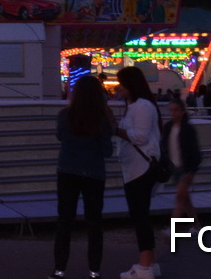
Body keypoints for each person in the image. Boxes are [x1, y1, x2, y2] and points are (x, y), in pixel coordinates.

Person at [51, 75, 111, 279]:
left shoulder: (65, 115)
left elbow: (60, 136)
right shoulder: (101, 119)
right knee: (94, 222)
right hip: (94, 173)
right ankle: (94, 269)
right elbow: (107, 150)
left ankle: (60, 268)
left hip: (67, 170)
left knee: (64, 221)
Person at [112, 66, 160, 279]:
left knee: (140, 217)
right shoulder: (137, 106)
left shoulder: (142, 107)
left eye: (121, 83)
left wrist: (116, 130)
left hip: (140, 169)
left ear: (130, 84)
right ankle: (150, 263)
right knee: (142, 216)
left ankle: (145, 266)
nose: (117, 87)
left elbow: (139, 137)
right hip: (136, 168)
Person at [163, 96, 202, 220]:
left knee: (180, 198)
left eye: (175, 110)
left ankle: (172, 231)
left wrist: (191, 171)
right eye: (171, 110)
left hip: (185, 169)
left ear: (182, 111)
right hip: (176, 168)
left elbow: (195, 152)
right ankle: (196, 226)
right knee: (185, 200)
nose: (173, 113)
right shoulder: (168, 127)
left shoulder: (187, 129)